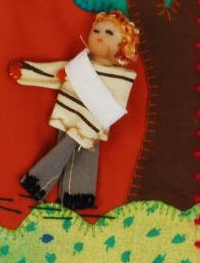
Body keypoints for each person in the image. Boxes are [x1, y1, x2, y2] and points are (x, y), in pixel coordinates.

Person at [12, 11, 140, 210]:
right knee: (69, 150)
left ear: (123, 44)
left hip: (92, 124)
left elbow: (115, 105)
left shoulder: (123, 77)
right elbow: (53, 72)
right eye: (96, 30)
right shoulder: (81, 65)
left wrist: (76, 79)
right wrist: (25, 71)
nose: (100, 35)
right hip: (69, 115)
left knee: (78, 154)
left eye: (109, 32)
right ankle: (70, 197)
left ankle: (56, 189)